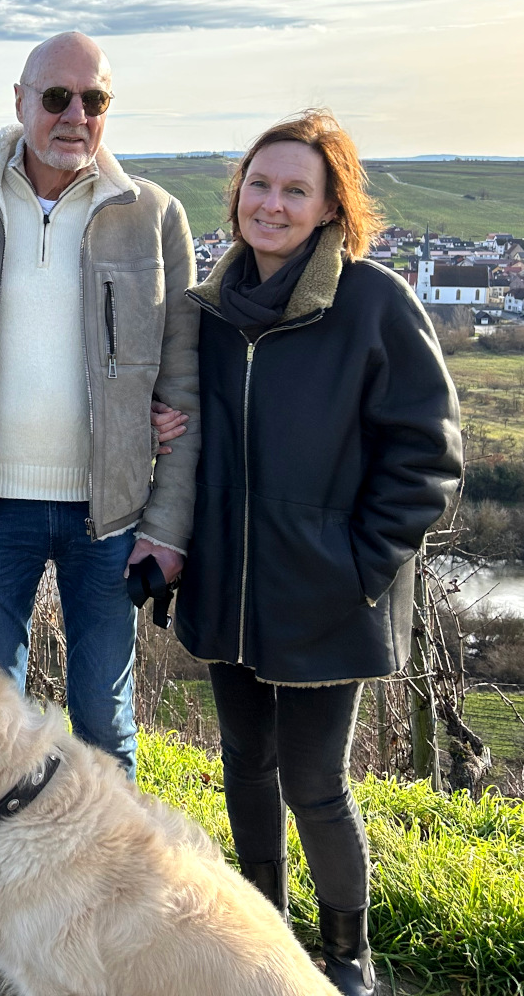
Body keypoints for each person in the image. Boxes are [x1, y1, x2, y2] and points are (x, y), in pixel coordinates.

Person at [0, 31, 201, 974]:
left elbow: (184, 387)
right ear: (19, 98)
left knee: (102, 721)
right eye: (57, 99)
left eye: (96, 101)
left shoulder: (152, 215)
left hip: (105, 516)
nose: (76, 118)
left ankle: (105, 909)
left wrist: (165, 525)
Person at [173, 110, 461, 996]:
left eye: (296, 189)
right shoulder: (209, 310)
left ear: (332, 207)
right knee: (244, 772)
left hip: (326, 595)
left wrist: (359, 568)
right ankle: (263, 942)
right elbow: (184, 429)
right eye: (259, 184)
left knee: (314, 785)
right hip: (230, 590)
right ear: (237, 197)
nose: (273, 203)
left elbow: (429, 453)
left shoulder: (373, 303)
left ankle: (347, 955)